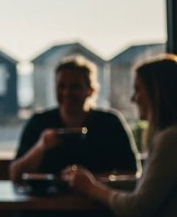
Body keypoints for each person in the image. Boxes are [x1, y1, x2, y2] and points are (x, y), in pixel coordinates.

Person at [53, 54, 177, 217]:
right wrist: (101, 183)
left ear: (157, 93)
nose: (133, 98)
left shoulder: (170, 139)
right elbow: (148, 182)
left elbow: (137, 207)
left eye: (138, 90)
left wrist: (92, 188)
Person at [9, 55, 139, 182]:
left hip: (98, 201)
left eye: (75, 86)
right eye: (61, 86)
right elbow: (15, 173)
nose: (66, 92)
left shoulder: (110, 123)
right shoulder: (39, 123)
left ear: (90, 90)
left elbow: (132, 172)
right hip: (47, 202)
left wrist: (89, 182)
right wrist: (40, 147)